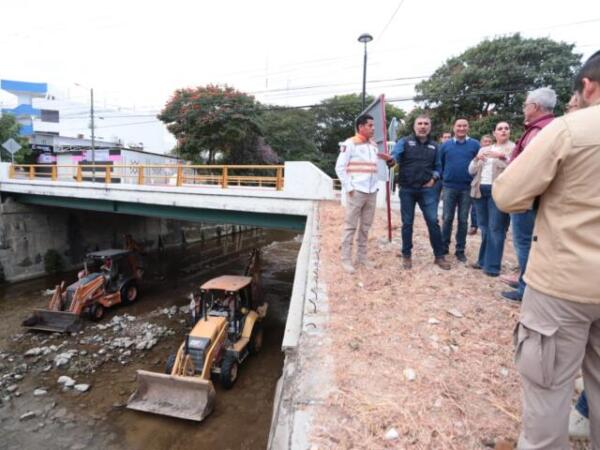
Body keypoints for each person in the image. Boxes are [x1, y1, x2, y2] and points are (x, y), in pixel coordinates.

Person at [492, 50, 600, 449]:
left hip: (562, 286)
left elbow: (508, 194)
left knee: (548, 392)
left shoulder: (571, 129)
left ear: (587, 86)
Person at [499, 87, 556, 303]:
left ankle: (525, 288)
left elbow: (530, 167)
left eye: (525, 105)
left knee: (524, 242)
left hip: (527, 197)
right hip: (536, 197)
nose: (524, 109)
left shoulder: (538, 132)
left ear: (534, 107)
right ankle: (525, 279)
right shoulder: (551, 127)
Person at [335, 114, 393, 274]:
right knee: (350, 226)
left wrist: (387, 159)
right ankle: (346, 259)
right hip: (357, 191)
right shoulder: (350, 144)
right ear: (361, 127)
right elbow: (339, 167)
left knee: (365, 227)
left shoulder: (373, 145)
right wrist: (349, 187)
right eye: (370, 125)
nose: (373, 128)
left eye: (373, 125)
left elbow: (373, 167)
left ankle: (361, 257)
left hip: (372, 191)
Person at [391, 115, 451, 270]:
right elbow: (395, 157)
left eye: (426, 124)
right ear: (414, 126)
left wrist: (434, 178)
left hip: (427, 190)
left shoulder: (435, 146)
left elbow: (439, 167)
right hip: (407, 189)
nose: (423, 126)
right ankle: (406, 255)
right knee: (407, 223)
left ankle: (439, 256)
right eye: (420, 123)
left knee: (433, 221)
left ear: (429, 127)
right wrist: (391, 161)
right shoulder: (404, 142)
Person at [468, 124, 513, 277]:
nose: (503, 131)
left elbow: (518, 167)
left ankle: (493, 267)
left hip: (499, 191)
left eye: (506, 128)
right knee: (485, 228)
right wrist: (476, 159)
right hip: (481, 190)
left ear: (509, 132)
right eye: (500, 129)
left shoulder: (513, 149)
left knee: (496, 228)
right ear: (494, 133)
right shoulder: (484, 149)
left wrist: (502, 157)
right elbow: (471, 170)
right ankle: (482, 261)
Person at [439, 119, 480, 262]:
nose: (461, 128)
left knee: (463, 220)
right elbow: (440, 164)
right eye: (459, 126)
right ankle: (443, 248)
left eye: (464, 126)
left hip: (467, 188)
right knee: (447, 218)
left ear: (468, 127)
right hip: (449, 187)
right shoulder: (446, 145)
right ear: (454, 128)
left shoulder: (475, 145)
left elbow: (478, 164)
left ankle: (460, 250)